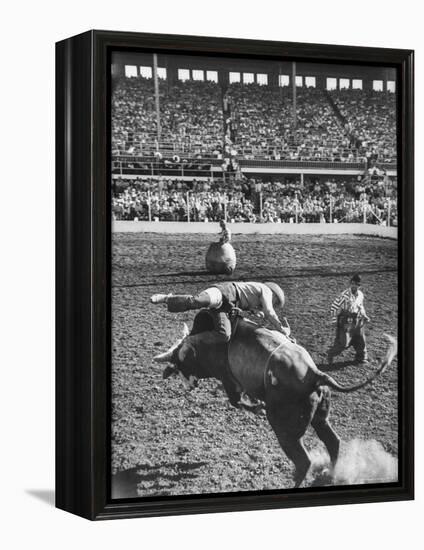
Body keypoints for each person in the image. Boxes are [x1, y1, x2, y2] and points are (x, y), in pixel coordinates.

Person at [151, 281, 291, 410]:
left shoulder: (254, 298)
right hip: (223, 293)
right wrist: (281, 328)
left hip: (226, 307)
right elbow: (269, 312)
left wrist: (255, 311)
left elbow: (256, 309)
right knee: (198, 301)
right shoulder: (265, 290)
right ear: (272, 294)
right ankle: (168, 300)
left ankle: (193, 342)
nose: (274, 305)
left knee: (224, 334)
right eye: (275, 302)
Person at [327, 274, 370, 365]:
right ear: (350, 283)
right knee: (344, 343)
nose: (354, 285)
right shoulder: (344, 296)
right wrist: (335, 321)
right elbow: (333, 308)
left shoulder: (360, 295)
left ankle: (361, 358)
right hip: (346, 320)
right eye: (353, 283)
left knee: (361, 339)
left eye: (357, 284)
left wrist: (364, 315)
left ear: (360, 286)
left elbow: (360, 306)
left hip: (357, 319)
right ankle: (331, 354)